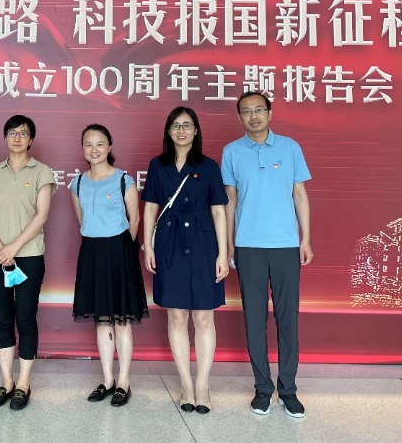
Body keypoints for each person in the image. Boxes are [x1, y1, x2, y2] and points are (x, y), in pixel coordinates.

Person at [222, 91, 312, 419]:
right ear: (240, 117)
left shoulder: (290, 147)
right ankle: (262, 389)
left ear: (270, 114)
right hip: (249, 246)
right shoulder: (231, 152)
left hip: (286, 245)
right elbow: (230, 201)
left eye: (259, 109)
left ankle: (288, 390)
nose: (254, 116)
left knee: (288, 320)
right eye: (247, 111)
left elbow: (299, 194)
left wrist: (305, 239)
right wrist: (229, 245)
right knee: (254, 320)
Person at [142, 106, 228, 415]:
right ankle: (186, 384)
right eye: (176, 125)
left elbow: (218, 211)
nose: (181, 130)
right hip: (169, 243)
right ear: (168, 131)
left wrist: (223, 252)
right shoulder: (157, 165)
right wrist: (148, 246)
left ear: (196, 130)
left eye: (187, 125)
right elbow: (150, 208)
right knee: (177, 316)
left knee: (204, 318)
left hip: (204, 245)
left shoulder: (209, 166)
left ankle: (202, 384)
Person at [0, 115, 56, 411]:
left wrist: (13, 247)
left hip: (29, 256)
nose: (17, 138)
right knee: (1, 317)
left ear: (31, 139)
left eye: (23, 133)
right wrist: (0, 248)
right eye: (12, 133)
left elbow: (41, 215)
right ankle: (7, 381)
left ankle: (24, 383)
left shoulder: (42, 171)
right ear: (5, 138)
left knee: (25, 317)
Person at [69, 124, 148, 408]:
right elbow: (82, 220)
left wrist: (122, 249)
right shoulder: (77, 184)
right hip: (92, 252)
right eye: (88, 144)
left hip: (119, 252)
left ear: (109, 146)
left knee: (121, 320)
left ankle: (124, 381)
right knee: (102, 320)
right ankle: (107, 379)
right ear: (83, 148)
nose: (94, 150)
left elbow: (134, 220)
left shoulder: (124, 180)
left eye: (100, 144)